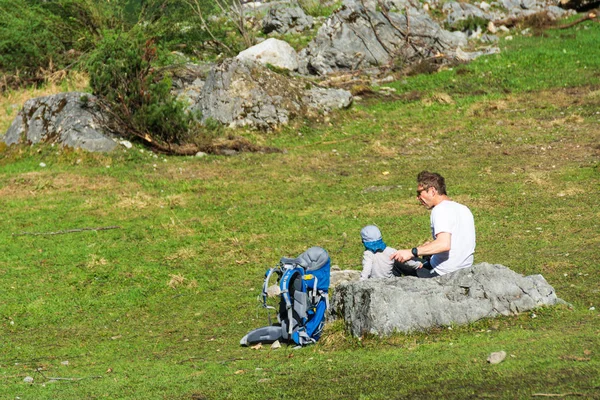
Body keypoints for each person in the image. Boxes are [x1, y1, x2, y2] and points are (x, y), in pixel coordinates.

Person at [391, 171, 476, 278]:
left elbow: (444, 245)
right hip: (465, 270)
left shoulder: (440, 210)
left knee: (394, 260)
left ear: (432, 191)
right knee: (426, 255)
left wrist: (412, 252)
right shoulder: (463, 208)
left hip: (443, 273)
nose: (418, 198)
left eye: (419, 193)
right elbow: (457, 240)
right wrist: (430, 246)